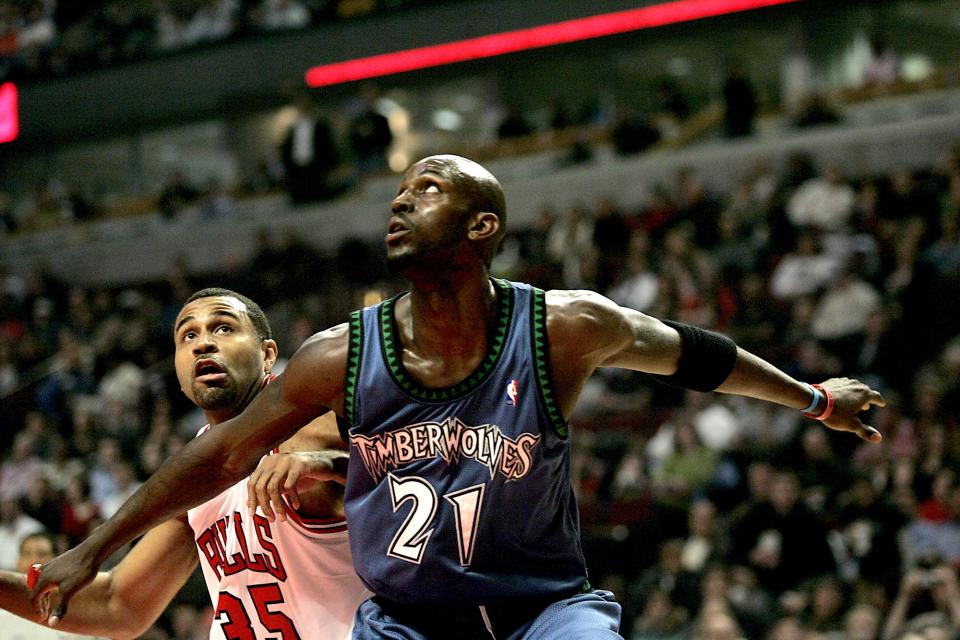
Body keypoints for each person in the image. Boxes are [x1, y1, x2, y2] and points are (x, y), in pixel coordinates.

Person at [31, 155, 885, 639]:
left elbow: (695, 356)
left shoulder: (563, 327)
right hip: (409, 619)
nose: (402, 201)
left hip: (542, 607)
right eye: (399, 193)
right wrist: (89, 547)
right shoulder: (341, 355)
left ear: (483, 228)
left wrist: (812, 399)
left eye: (429, 188)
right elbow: (219, 455)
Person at [3, 288, 369, 639]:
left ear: (268, 354)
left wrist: (334, 463)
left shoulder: (319, 422)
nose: (203, 343)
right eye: (187, 335)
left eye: (223, 327)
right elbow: (119, 604)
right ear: (179, 376)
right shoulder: (192, 478)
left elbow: (414, 481)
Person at [0, 531, 100, 639]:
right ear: (18, 561)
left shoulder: (77, 612)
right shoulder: (3, 611)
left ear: (56, 561)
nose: (33, 561)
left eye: (42, 554)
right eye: (26, 554)